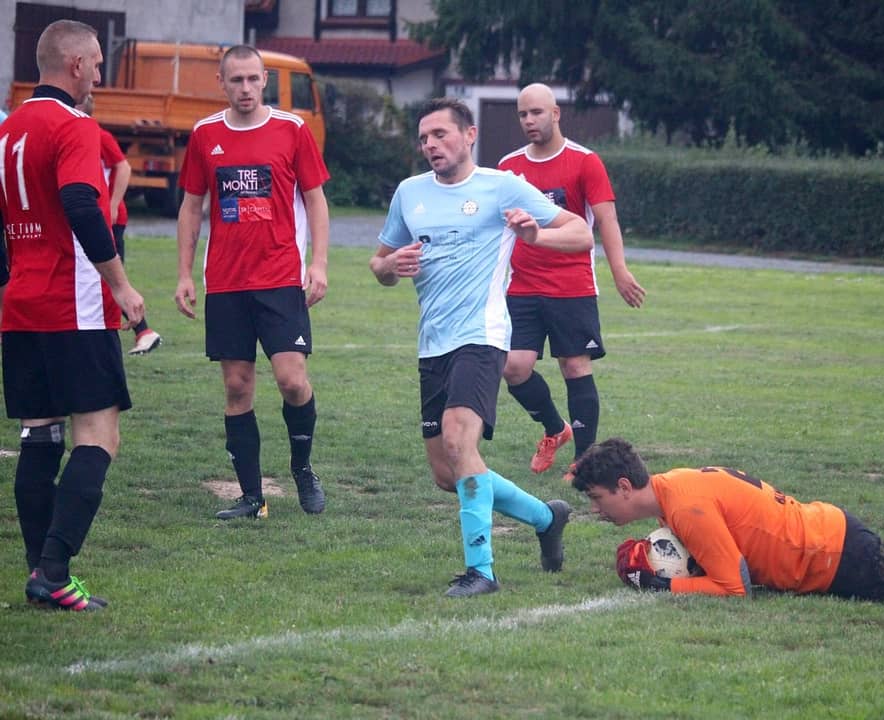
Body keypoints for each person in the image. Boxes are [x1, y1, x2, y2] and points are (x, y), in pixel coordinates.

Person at [370, 97, 593, 597]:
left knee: (458, 441)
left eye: (441, 134)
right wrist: (390, 268)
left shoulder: (502, 186)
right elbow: (379, 264)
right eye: (424, 138)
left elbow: (580, 233)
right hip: (433, 344)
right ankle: (546, 518)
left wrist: (535, 235)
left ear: (469, 135)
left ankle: (482, 572)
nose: (431, 145)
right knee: (446, 473)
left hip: (483, 335)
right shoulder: (409, 193)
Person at [0, 19, 146, 611]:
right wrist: (122, 285)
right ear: (77, 65)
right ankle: (56, 570)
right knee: (99, 436)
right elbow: (82, 203)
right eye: (98, 64)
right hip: (74, 306)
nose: (100, 76)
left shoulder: (8, 129)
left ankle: (40, 573)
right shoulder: (74, 124)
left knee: (39, 435)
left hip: (21, 305)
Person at [571, 437, 884, 606]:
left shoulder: (686, 508)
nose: (597, 509)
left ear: (624, 486)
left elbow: (733, 588)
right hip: (830, 536)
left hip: (833, 556)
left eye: (597, 498)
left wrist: (664, 586)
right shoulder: (675, 486)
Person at [174, 45, 330, 520]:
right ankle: (251, 496)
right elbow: (192, 206)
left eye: (252, 79)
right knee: (237, 387)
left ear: (265, 80)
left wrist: (319, 263)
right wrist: (183, 273)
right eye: (236, 80)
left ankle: (302, 468)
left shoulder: (292, 129)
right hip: (226, 282)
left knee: (292, 381)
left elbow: (316, 199)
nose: (245, 88)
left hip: (280, 277)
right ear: (221, 83)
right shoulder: (205, 134)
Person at [498, 83, 646, 481]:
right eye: (523, 114)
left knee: (575, 365)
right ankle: (554, 429)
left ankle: (582, 461)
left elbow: (607, 220)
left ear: (555, 113)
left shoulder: (585, 161)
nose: (529, 120)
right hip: (521, 285)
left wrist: (619, 270)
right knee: (513, 367)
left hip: (572, 286)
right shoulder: (508, 166)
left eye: (536, 112)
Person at [77, 94, 162, 355]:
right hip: (99, 216)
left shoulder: (98, 135)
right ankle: (139, 332)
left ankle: (143, 331)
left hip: (110, 219)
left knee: (110, 277)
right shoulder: (78, 136)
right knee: (104, 278)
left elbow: (123, 168)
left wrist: (113, 204)